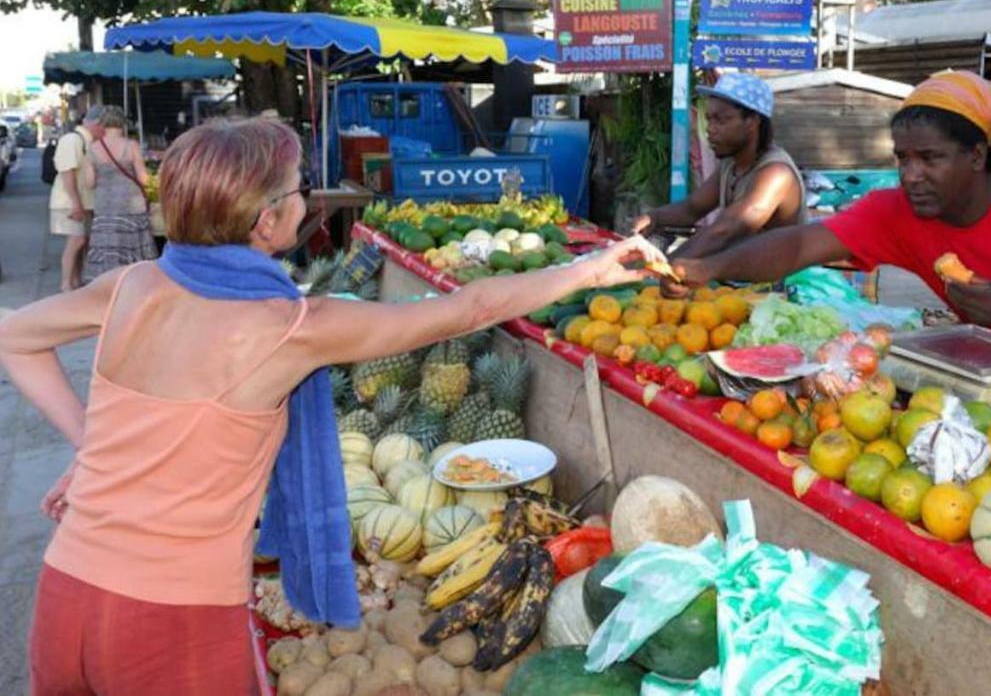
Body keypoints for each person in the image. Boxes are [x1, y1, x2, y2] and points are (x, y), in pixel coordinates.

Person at [0, 116, 663, 695]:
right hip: (175, 623)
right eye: (298, 190)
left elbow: (14, 338)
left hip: (66, 596)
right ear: (266, 220)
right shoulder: (290, 326)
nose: (306, 200)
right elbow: (472, 307)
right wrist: (594, 269)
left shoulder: (131, 285)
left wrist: (92, 449)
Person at [673, 70, 991, 392]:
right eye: (902, 158)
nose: (910, 175)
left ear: (977, 155)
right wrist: (708, 267)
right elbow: (800, 243)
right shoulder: (898, 210)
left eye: (930, 158)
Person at [630, 73, 806, 263]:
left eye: (720, 120)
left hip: (781, 285)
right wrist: (653, 218)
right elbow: (692, 209)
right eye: (709, 119)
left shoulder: (776, 173)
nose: (710, 129)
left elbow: (725, 230)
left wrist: (667, 266)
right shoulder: (730, 164)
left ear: (752, 122)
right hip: (742, 277)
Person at [83, 107, 157, 281]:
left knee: (108, 245)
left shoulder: (93, 148)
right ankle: (135, 281)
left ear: (103, 124)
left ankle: (106, 282)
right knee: (133, 246)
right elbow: (143, 178)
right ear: (123, 123)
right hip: (131, 204)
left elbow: (90, 182)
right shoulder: (131, 145)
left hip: (105, 205)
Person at [48, 108, 108, 292]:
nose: (105, 132)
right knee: (77, 241)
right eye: (104, 127)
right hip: (69, 202)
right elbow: (68, 174)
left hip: (85, 202)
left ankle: (76, 283)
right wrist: (76, 204)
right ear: (97, 124)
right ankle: (66, 284)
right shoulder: (72, 140)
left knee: (83, 244)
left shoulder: (89, 142)